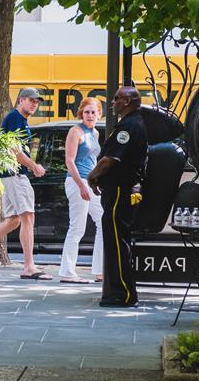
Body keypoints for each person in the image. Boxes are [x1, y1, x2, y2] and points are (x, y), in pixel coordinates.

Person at [0, 87, 51, 281]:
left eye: (37, 102)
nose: (35, 104)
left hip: (8, 175)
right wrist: (34, 166)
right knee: (28, 218)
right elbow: (15, 152)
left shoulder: (20, 120)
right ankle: (29, 266)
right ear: (21, 100)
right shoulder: (14, 119)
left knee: (13, 220)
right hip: (15, 175)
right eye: (31, 100)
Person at [88, 86, 148, 307]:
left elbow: (109, 160)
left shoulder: (129, 126)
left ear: (129, 101)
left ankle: (122, 294)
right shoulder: (129, 124)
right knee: (115, 243)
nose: (112, 102)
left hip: (119, 193)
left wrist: (92, 176)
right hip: (118, 192)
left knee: (117, 244)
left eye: (117, 99)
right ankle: (120, 292)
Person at [59, 98, 104, 283]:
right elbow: (69, 161)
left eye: (93, 112)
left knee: (103, 222)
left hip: (91, 183)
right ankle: (67, 272)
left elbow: (93, 161)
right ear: (81, 113)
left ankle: (100, 271)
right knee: (77, 228)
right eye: (87, 112)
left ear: (99, 114)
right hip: (76, 182)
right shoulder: (75, 131)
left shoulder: (96, 133)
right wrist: (81, 185)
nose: (90, 115)